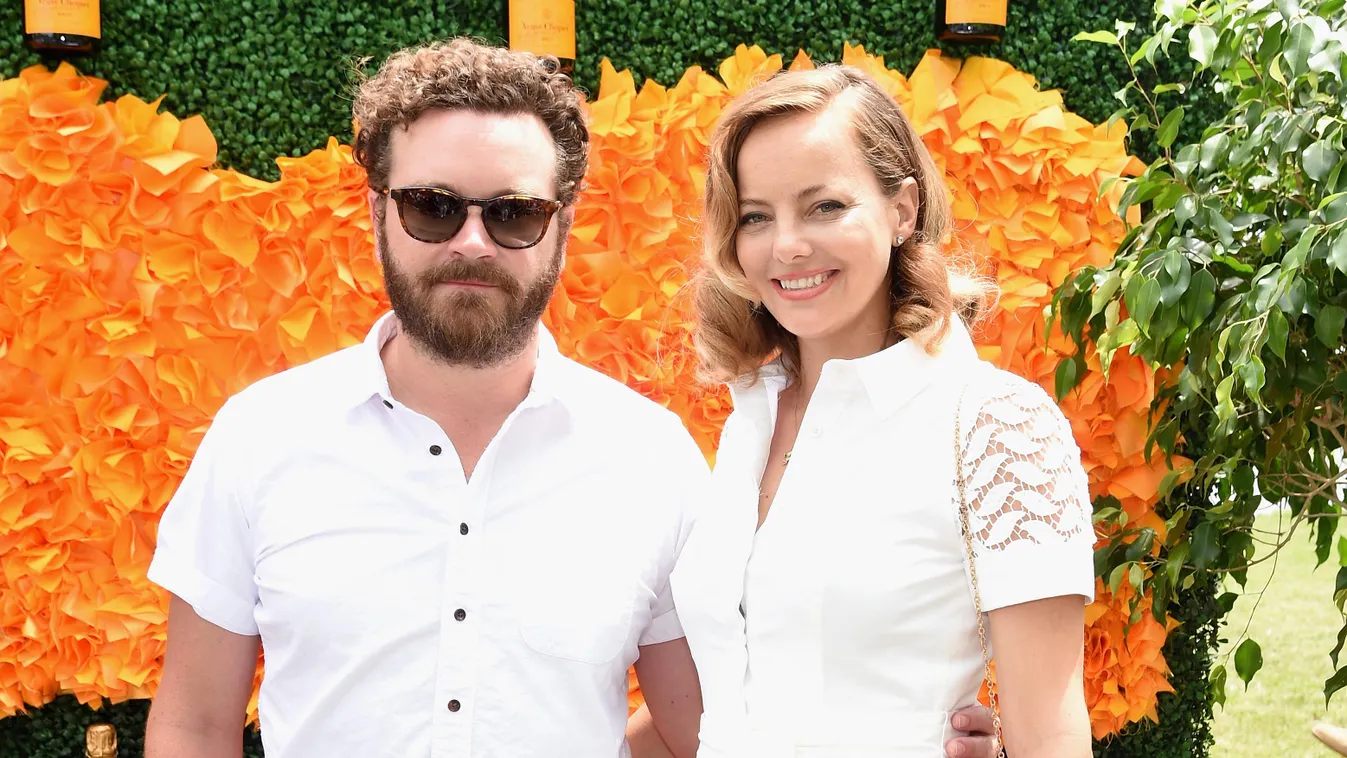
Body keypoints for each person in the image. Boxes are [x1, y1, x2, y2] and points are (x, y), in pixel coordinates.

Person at [143, 38, 1001, 758]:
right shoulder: (261, 438)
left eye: (513, 213)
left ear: (562, 219)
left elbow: (699, 729)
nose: (470, 243)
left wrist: (909, 736)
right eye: (432, 208)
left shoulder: (650, 458)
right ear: (376, 209)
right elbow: (192, 723)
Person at [672, 63, 1098, 758]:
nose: (786, 245)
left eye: (824, 206)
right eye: (755, 216)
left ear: (901, 210)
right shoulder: (749, 416)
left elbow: (1049, 733)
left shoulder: (996, 425)